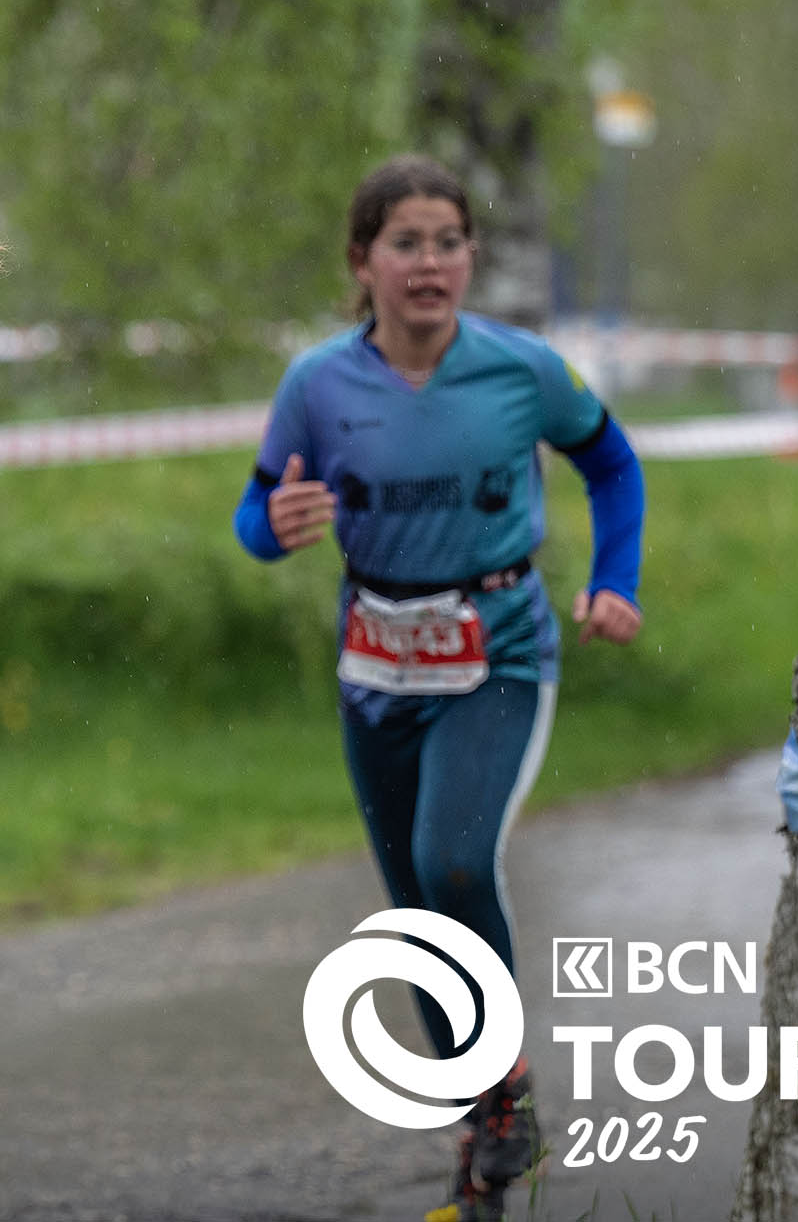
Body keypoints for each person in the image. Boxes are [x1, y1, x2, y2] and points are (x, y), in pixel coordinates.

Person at [232, 155, 644, 1222]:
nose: (429, 264)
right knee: (417, 917)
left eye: (448, 242)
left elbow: (613, 463)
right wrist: (273, 526)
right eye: (405, 243)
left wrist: (615, 580)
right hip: (377, 668)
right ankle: (486, 1131)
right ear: (361, 261)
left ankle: (503, 1091)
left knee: (451, 860)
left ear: (471, 257)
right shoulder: (318, 384)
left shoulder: (523, 370)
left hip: (497, 650)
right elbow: (256, 515)